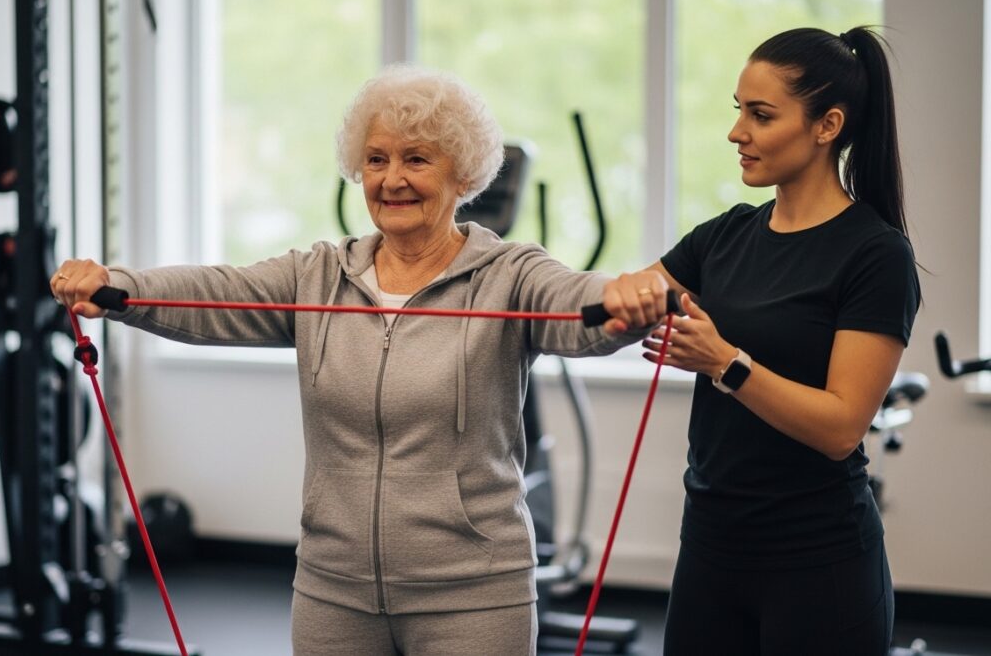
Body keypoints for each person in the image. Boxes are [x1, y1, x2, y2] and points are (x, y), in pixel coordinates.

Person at [51, 63, 667, 656]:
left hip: (474, 591)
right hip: (332, 587)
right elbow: (216, 291)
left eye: (416, 159)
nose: (391, 179)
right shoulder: (319, 274)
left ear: (463, 176)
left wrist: (618, 298)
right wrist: (117, 285)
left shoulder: (509, 275)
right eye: (376, 159)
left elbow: (576, 304)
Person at [634, 27, 919, 655]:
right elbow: (619, 300)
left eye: (761, 115)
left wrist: (726, 363)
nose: (738, 132)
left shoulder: (874, 254)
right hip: (710, 546)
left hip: (819, 561)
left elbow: (842, 425)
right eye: (738, 110)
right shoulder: (725, 235)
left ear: (827, 125)